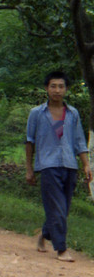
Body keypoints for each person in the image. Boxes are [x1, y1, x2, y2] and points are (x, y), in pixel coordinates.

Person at [25, 70, 93, 262]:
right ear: (47, 88)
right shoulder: (37, 114)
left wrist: (86, 165)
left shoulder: (72, 113)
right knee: (57, 208)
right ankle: (61, 249)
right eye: (53, 86)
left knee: (64, 208)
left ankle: (45, 234)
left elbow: (79, 141)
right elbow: (29, 141)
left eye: (61, 86)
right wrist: (29, 169)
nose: (57, 90)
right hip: (48, 166)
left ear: (66, 89)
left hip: (69, 165)